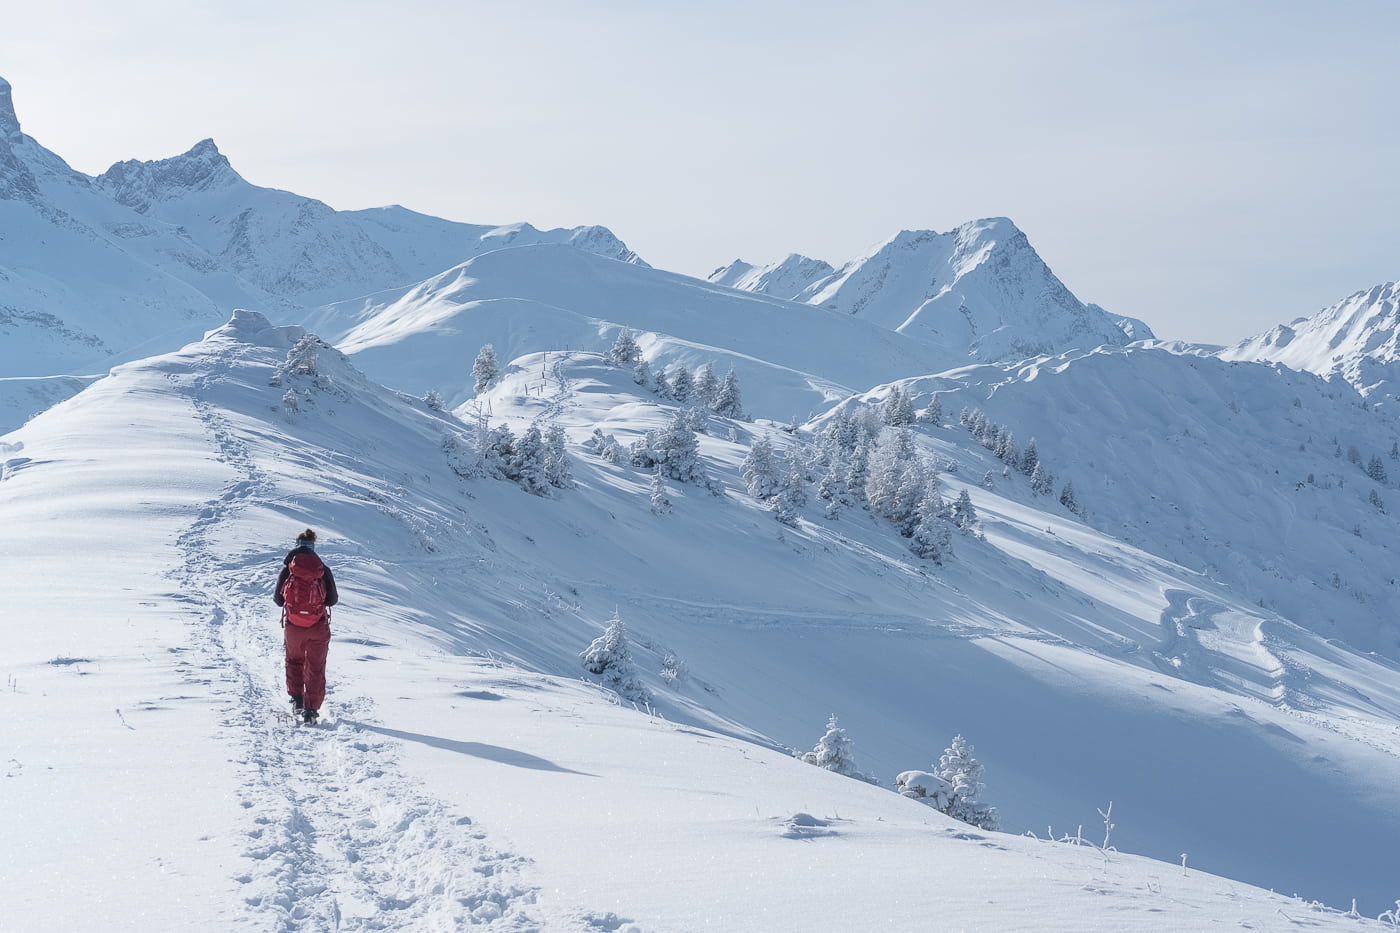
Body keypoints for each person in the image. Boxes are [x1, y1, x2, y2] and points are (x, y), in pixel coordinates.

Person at [273, 528, 339, 723]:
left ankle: (297, 700)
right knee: (316, 666)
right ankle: (311, 711)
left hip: (293, 626)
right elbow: (333, 600)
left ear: (296, 547)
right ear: (313, 546)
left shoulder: (288, 570)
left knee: (294, 660)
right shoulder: (322, 569)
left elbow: (278, 600)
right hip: (318, 626)